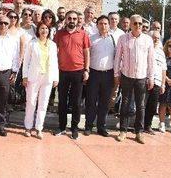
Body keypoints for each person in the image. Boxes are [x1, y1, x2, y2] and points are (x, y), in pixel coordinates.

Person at [113, 15, 154, 144]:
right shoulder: (123, 38)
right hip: (126, 76)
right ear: (130, 24)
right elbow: (118, 57)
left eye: (140, 24)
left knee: (140, 106)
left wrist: (151, 77)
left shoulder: (148, 40)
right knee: (124, 104)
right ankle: (123, 130)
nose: (138, 26)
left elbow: (151, 61)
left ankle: (139, 132)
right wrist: (116, 74)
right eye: (135, 23)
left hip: (141, 77)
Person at [53, 10, 91, 140]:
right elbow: (54, 52)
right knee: (62, 101)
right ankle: (61, 126)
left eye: (74, 19)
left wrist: (86, 70)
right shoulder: (59, 34)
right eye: (69, 18)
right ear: (66, 20)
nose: (72, 21)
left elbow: (87, 52)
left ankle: (74, 128)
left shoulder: (83, 34)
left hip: (78, 71)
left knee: (76, 102)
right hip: (62, 72)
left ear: (77, 20)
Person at [22, 22, 59, 139]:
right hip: (33, 77)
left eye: (46, 28)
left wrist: (55, 78)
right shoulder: (32, 43)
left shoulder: (52, 45)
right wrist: (25, 76)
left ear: (49, 31)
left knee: (43, 104)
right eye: (42, 28)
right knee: (31, 102)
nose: (44, 31)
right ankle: (28, 127)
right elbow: (26, 61)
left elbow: (55, 63)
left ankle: (39, 128)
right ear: (38, 30)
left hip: (47, 77)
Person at [84, 15, 115, 137]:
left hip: (108, 74)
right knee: (91, 101)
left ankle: (101, 127)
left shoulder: (113, 39)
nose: (103, 26)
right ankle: (88, 126)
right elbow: (86, 55)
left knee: (104, 102)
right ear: (97, 25)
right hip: (94, 74)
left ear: (109, 25)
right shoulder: (91, 39)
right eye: (101, 23)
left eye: (105, 24)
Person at [143, 30, 166, 134]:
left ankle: (148, 126)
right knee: (141, 105)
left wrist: (163, 84)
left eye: (157, 38)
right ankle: (138, 126)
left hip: (157, 82)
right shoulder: (145, 49)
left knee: (152, 106)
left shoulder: (161, 52)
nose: (156, 39)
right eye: (154, 37)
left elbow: (163, 69)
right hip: (145, 80)